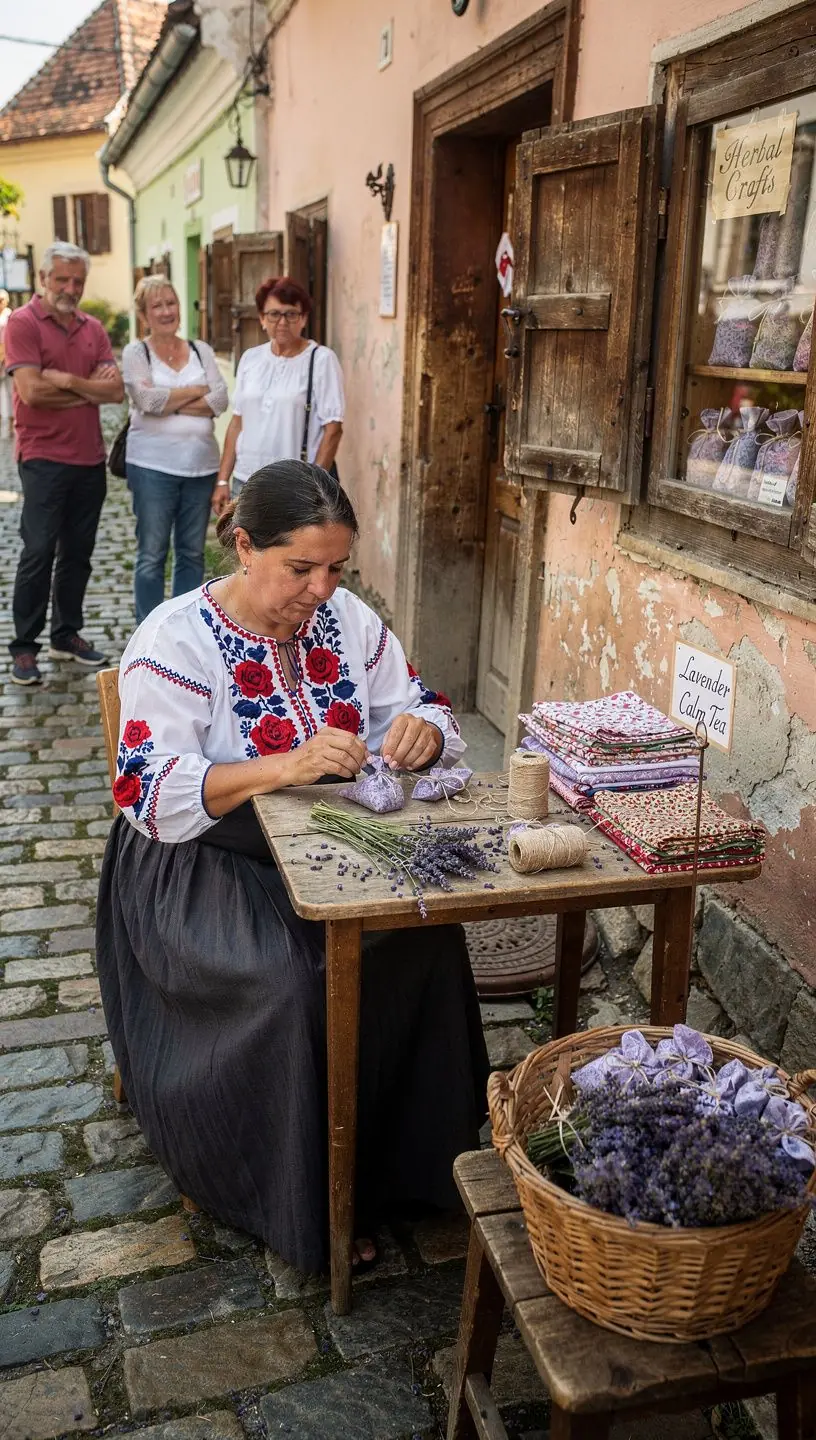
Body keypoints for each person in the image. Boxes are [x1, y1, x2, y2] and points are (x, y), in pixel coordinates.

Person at [96, 460, 488, 1274]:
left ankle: (411, 1172)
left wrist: (420, 729)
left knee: (426, 942)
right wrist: (281, 767)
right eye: (301, 568)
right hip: (201, 858)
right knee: (291, 981)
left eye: (337, 567)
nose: (322, 588)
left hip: (326, 842)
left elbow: (421, 704)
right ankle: (298, 1192)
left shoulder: (349, 622)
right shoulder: (174, 639)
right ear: (245, 547)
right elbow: (146, 786)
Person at [4, 242, 124, 686]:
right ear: (43, 279)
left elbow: (115, 393)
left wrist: (71, 382)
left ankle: (65, 634)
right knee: (37, 552)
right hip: (41, 457)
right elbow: (31, 392)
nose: (70, 288)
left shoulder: (93, 328)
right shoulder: (22, 323)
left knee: (78, 554)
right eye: (62, 280)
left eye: (78, 281)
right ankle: (23, 647)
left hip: (89, 458)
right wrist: (89, 388)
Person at [122, 276, 229, 623]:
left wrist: (170, 403)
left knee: (191, 554)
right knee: (152, 554)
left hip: (201, 467)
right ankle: (147, 633)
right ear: (143, 314)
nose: (167, 311)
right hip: (152, 468)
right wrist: (195, 391)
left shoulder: (201, 350)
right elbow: (147, 400)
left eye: (171, 303)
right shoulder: (136, 353)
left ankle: (181, 632)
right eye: (157, 306)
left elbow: (220, 400)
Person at [214, 277, 344, 511]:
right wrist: (223, 479)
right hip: (245, 480)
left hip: (293, 485)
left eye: (291, 314)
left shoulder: (321, 360)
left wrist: (314, 487)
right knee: (244, 545)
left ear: (303, 318)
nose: (282, 322)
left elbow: (333, 430)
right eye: (274, 314)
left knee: (291, 547)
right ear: (262, 319)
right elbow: (236, 423)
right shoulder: (250, 359)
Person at [0, 290, 12, 441]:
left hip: (8, 356)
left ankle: (11, 421)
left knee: (10, 391)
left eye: (1, 300)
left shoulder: (10, 316)